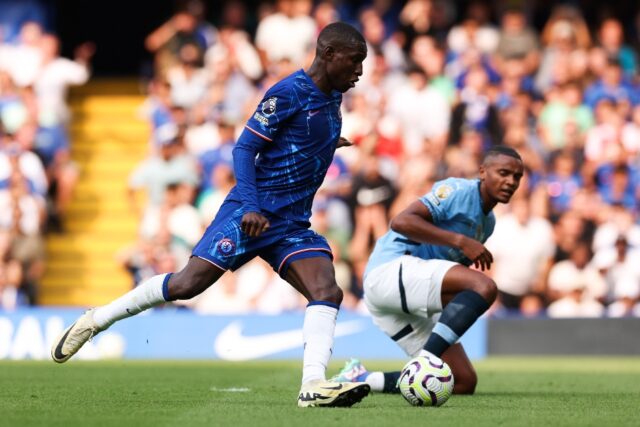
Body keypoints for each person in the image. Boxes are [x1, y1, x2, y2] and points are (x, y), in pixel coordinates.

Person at [51, 22, 369, 408]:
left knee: (327, 291)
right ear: (329, 54)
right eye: (355, 62)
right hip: (252, 214)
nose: (359, 72)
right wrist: (250, 206)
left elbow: (299, 136)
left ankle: (313, 386)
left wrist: (326, 142)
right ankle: (97, 319)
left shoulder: (332, 96)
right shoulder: (288, 93)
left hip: (290, 225)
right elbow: (243, 149)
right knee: (187, 285)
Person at [332, 146, 524, 395]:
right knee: (484, 286)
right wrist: (460, 241)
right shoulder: (458, 190)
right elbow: (400, 221)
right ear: (483, 171)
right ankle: (425, 360)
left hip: (404, 296)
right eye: (503, 172)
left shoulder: (488, 223)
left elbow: (452, 290)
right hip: (390, 269)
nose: (510, 181)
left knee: (462, 381)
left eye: (517, 177)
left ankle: (360, 379)